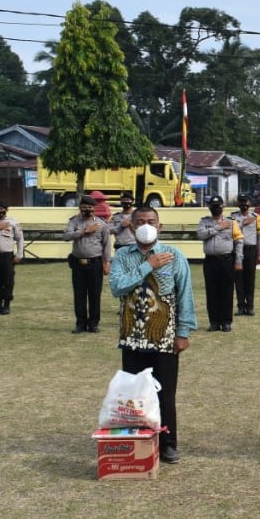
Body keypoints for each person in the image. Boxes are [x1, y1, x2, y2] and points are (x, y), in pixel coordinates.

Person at [109, 206, 197, 464]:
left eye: (151, 221)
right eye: (140, 221)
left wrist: (183, 332)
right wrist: (147, 266)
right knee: (135, 392)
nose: (145, 225)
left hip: (165, 337)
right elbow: (116, 287)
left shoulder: (174, 255)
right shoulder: (123, 256)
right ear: (132, 226)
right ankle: (140, 439)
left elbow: (185, 295)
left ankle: (168, 442)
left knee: (165, 393)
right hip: (132, 336)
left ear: (160, 226)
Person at [62, 195, 112, 333]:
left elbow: (107, 244)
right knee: (79, 295)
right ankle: (80, 324)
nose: (87, 210)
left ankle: (94, 323)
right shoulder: (74, 221)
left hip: (95, 263)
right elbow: (66, 236)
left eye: (89, 207)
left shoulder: (102, 224)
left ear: (94, 209)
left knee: (95, 295)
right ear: (80, 208)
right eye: (84, 207)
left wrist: (107, 263)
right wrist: (84, 231)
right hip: (78, 264)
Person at [196, 194, 243, 332]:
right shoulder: (204, 222)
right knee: (211, 292)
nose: (216, 208)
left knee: (226, 291)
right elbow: (200, 235)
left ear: (223, 207)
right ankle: (214, 322)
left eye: (218, 206)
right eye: (213, 206)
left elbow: (239, 241)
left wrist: (239, 260)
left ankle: (226, 321)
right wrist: (218, 227)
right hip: (210, 261)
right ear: (209, 207)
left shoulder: (232, 222)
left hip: (226, 260)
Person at [231, 193, 260, 316]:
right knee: (239, 279)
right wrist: (243, 223)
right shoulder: (233, 217)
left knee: (250, 279)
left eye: (245, 202)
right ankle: (240, 306)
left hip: (251, 250)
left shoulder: (256, 217)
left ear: (250, 203)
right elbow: (230, 230)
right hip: (237, 250)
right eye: (241, 202)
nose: (243, 204)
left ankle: (250, 306)